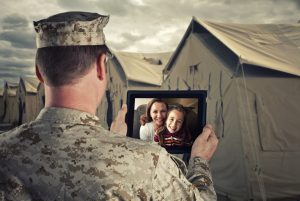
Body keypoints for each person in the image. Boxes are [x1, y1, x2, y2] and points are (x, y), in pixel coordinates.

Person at [0, 11, 219, 201]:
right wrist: (199, 161)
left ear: (38, 72)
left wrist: (114, 139)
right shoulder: (149, 161)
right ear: (100, 67)